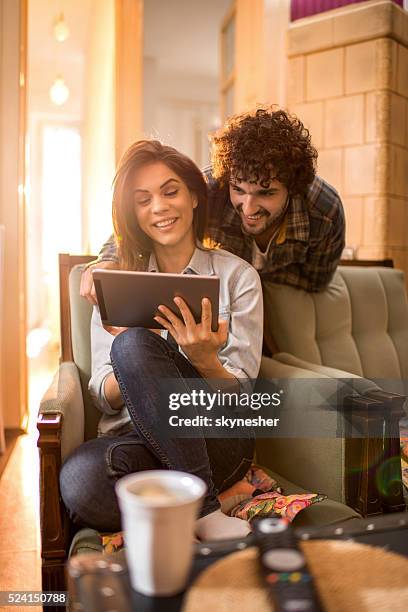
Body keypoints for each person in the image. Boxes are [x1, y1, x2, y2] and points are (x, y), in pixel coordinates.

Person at [59, 140, 263, 541]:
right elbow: (103, 394)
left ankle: (203, 512)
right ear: (132, 213)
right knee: (82, 481)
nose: (159, 208)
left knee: (133, 343)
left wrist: (206, 361)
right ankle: (210, 499)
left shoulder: (238, 277)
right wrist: (135, 357)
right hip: (135, 442)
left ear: (192, 196)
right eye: (143, 199)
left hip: (215, 437)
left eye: (170, 192)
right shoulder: (113, 283)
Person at [80, 106, 345, 302]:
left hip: (273, 298)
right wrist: (106, 261)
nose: (249, 208)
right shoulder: (208, 187)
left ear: (293, 187)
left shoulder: (325, 213)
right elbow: (141, 222)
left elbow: (315, 282)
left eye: (266, 194)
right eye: (238, 190)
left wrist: (253, 282)